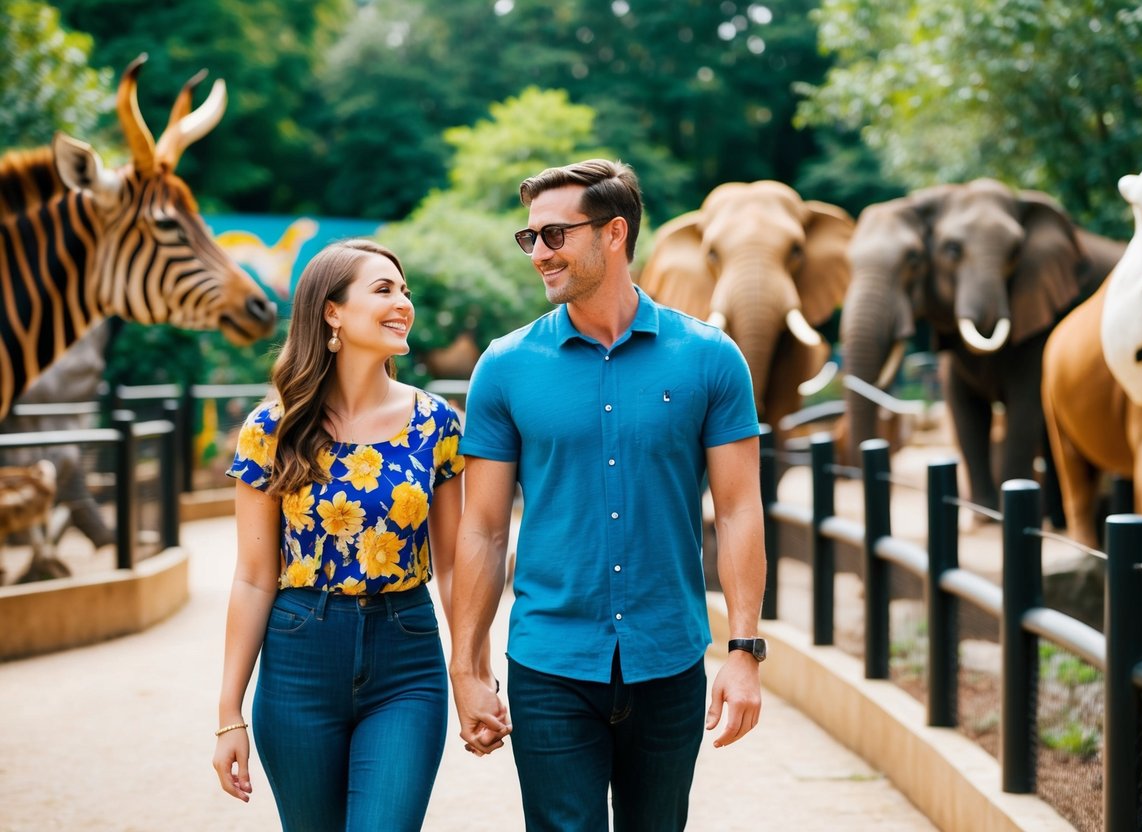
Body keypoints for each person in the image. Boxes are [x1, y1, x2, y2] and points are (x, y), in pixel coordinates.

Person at [449, 159, 768, 830]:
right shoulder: (504, 368)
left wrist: (744, 652)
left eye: (555, 235)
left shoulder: (710, 358)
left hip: (668, 656)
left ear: (613, 233)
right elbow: (481, 529)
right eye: (529, 238)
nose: (538, 253)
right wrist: (467, 667)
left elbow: (739, 511)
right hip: (549, 661)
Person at [212, 238, 471, 831]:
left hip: (407, 656)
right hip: (299, 655)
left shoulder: (437, 423)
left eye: (405, 291)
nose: (403, 302)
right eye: (383, 290)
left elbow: (456, 564)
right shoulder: (271, 428)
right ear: (332, 312)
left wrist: (471, 669)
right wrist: (230, 712)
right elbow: (253, 578)